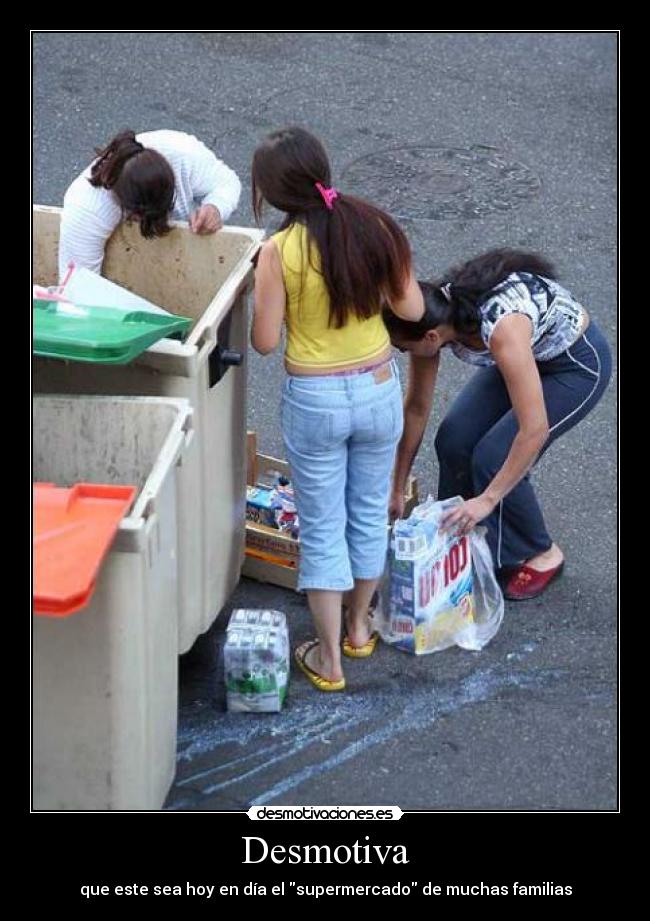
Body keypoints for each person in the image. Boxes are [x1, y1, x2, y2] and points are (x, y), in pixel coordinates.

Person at [250, 126, 424, 691]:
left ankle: (328, 661)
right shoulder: (372, 224)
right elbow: (414, 306)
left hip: (317, 400)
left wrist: (260, 288)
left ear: (276, 194)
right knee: (370, 513)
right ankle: (358, 628)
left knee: (323, 529)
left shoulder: (279, 251)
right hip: (377, 389)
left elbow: (265, 341)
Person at [383, 249, 612, 600]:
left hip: (573, 364)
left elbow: (533, 429)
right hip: (528, 355)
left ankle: (541, 553)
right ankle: (460, 538)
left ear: (430, 337)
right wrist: (397, 487)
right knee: (454, 438)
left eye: (402, 348)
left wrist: (487, 500)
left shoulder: (500, 328)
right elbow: (415, 409)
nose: (401, 353)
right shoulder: (432, 318)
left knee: (494, 456)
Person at [57, 129, 242, 280]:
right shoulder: (86, 208)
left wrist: (215, 207)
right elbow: (79, 288)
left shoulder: (181, 151)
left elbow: (227, 182)